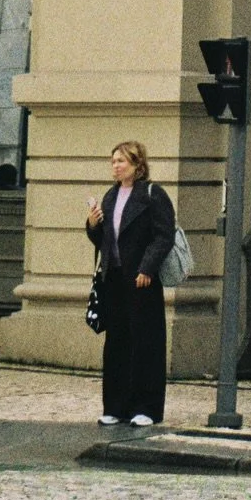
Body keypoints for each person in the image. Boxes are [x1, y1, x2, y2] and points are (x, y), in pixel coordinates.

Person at [85, 140, 176, 427]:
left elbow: (164, 236)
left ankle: (146, 408)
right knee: (116, 343)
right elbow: (103, 240)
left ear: (137, 165)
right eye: (113, 161)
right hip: (114, 278)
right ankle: (115, 406)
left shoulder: (152, 194)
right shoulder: (110, 196)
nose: (115, 166)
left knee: (145, 343)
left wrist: (147, 267)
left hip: (141, 279)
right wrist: (92, 224)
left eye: (121, 161)